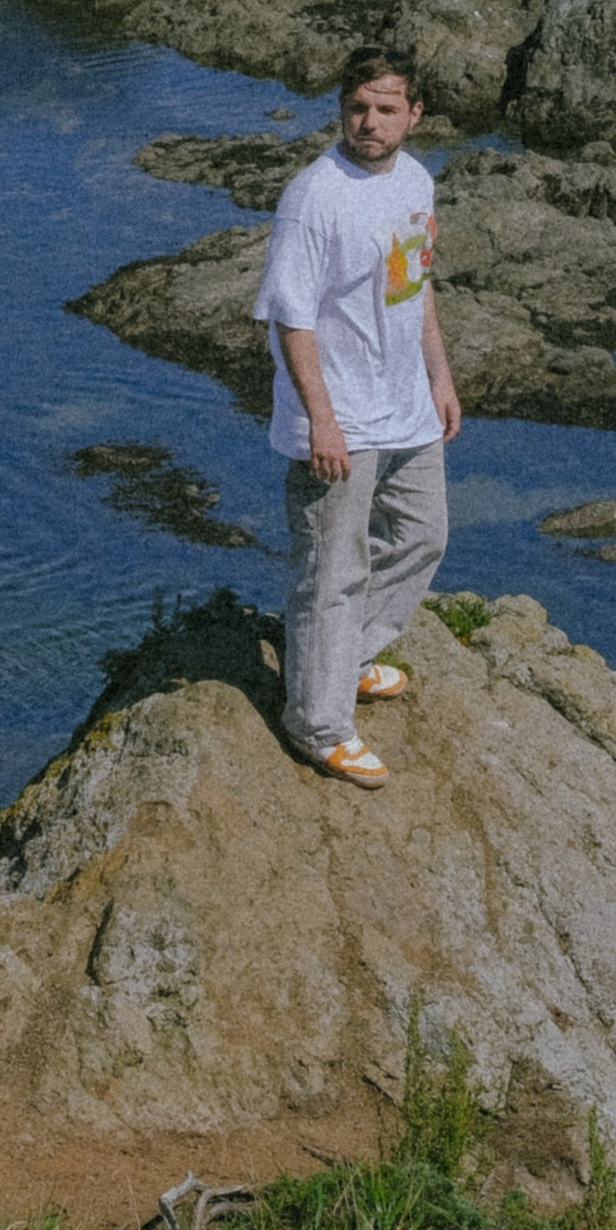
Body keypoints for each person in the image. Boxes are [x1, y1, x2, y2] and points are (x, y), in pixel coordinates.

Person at [259, 44, 460, 788]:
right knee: (332, 569)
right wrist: (322, 419)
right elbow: (291, 317)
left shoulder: (414, 180)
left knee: (420, 535)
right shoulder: (315, 196)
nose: (368, 122)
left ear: (414, 114)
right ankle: (317, 721)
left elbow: (417, 285)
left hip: (405, 405)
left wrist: (439, 375)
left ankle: (340, 659)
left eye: (385, 109)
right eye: (356, 107)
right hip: (340, 416)